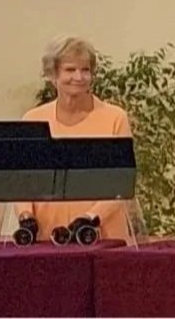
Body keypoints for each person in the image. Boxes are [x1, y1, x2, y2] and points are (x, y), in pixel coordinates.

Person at [19, 36, 134, 241]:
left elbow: (121, 183)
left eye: (85, 70)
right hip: (47, 237)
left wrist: (89, 218)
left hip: (101, 237)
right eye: (70, 70)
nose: (79, 77)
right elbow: (23, 179)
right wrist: (25, 216)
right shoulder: (32, 119)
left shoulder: (115, 118)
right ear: (53, 74)